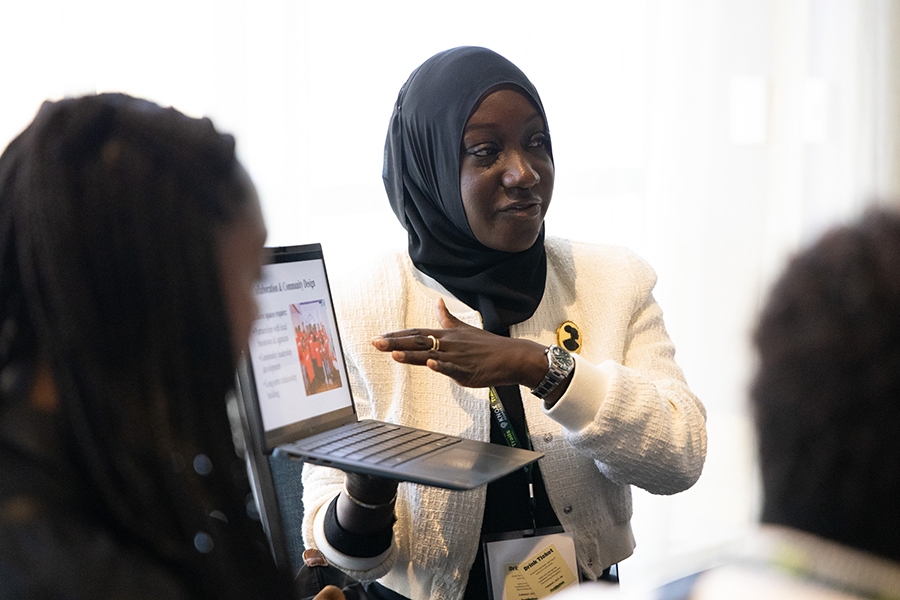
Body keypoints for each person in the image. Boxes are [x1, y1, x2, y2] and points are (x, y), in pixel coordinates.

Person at [298, 46, 708, 599]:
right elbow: (342, 553)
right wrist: (367, 495)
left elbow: (680, 457)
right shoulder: (351, 309)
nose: (524, 172)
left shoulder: (613, 281)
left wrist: (542, 367)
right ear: (432, 167)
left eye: (537, 142)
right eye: (486, 152)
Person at [0, 93, 337, 599]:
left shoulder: (83, 471)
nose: (254, 318)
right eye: (249, 281)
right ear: (157, 291)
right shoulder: (81, 576)